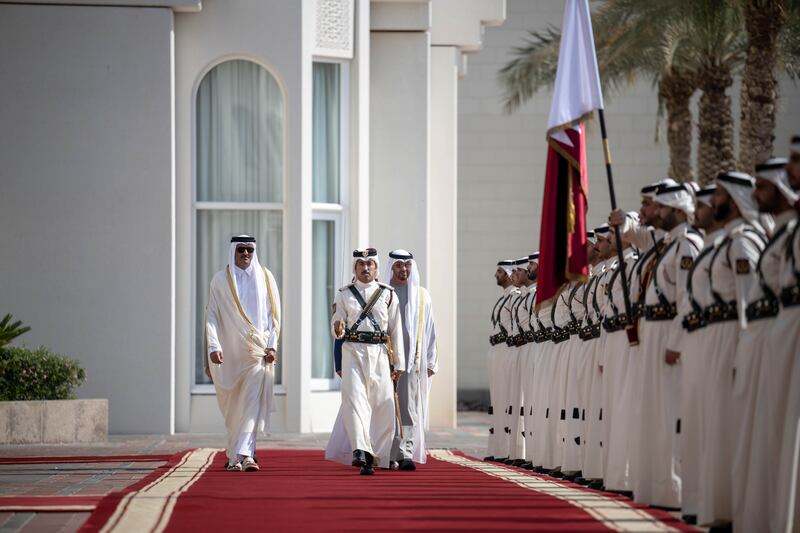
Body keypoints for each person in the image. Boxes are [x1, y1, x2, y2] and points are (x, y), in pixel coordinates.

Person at [732, 158, 799, 531]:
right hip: (771, 334)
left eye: (763, 186)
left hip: (781, 332)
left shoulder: (766, 237)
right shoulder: (780, 235)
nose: (757, 194)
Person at [695, 172, 764, 528]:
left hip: (731, 338)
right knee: (715, 424)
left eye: (718, 194)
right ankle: (719, 506)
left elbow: (749, 299)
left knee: (727, 424)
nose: (713, 200)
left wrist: (744, 349)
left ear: (733, 200)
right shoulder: (726, 243)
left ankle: (730, 508)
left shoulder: (742, 243)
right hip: (715, 336)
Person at [635, 182, 703, 509]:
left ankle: (674, 488)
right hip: (653, 331)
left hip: (668, 334)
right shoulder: (667, 246)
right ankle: (657, 487)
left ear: (678, 210)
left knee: (670, 411)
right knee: (654, 411)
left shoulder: (687, 246)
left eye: (661, 208)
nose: (656, 212)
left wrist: (675, 341)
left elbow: (689, 299)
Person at [205, 235, 281, 472]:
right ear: (233, 252)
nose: (245, 254)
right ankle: (236, 453)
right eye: (241, 250)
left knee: (251, 402)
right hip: (230, 354)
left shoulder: (266, 277)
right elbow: (212, 316)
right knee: (234, 407)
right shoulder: (220, 281)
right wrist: (213, 346)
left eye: (249, 249)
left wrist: (272, 345)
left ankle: (245, 455)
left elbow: (273, 317)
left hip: (258, 352)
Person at [326, 248, 404, 475]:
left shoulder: (388, 294)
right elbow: (337, 319)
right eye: (361, 264)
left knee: (384, 404)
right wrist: (337, 327)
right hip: (353, 351)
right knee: (354, 400)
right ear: (355, 268)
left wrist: (398, 363)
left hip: (379, 353)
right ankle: (360, 450)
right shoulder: (344, 294)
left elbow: (396, 329)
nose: (366, 267)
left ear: (377, 269)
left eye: (370, 264)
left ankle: (380, 454)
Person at [677, 184, 724, 524]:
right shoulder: (706, 247)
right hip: (703, 337)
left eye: (706, 203)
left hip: (722, 339)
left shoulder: (735, 246)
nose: (698, 210)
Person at [385, 250, 438, 471]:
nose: (403, 269)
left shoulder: (422, 295)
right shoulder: (383, 293)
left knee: (408, 408)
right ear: (391, 268)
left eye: (406, 265)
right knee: (385, 407)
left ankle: (405, 452)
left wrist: (430, 361)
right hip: (385, 361)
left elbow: (430, 330)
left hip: (411, 363)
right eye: (398, 265)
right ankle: (386, 452)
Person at [485, 260, 517, 461]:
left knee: (507, 399)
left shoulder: (515, 297)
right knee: (497, 400)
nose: (496, 275)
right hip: (497, 350)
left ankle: (508, 450)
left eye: (499, 271)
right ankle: (498, 449)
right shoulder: (503, 298)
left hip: (507, 349)